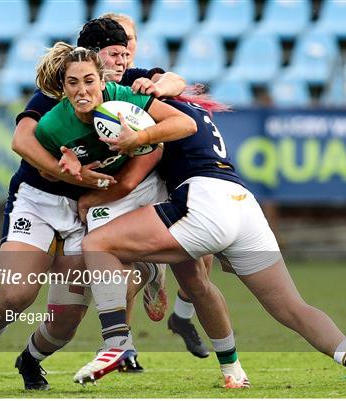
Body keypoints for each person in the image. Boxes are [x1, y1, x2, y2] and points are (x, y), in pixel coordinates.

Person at [68, 95, 346, 388]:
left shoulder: (156, 112)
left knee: (99, 244)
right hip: (243, 205)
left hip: (202, 201)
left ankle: (117, 342)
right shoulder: (194, 109)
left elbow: (133, 174)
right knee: (291, 307)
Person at [0, 17, 186, 389]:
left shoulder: (128, 85)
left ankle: (30, 360)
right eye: (116, 51)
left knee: (68, 316)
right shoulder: (60, 91)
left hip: (88, 211)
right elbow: (22, 141)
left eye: (127, 49)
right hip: (39, 200)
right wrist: (67, 173)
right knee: (18, 291)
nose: (124, 57)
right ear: (94, 58)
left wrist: (149, 114)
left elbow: (175, 88)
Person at [100, 12, 212, 358]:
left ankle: (181, 314)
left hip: (158, 177)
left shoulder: (136, 76)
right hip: (122, 182)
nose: (126, 49)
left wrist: (157, 87)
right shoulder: (88, 83)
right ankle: (123, 345)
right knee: (123, 267)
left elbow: (176, 80)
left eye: (130, 41)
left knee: (203, 255)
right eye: (118, 42)